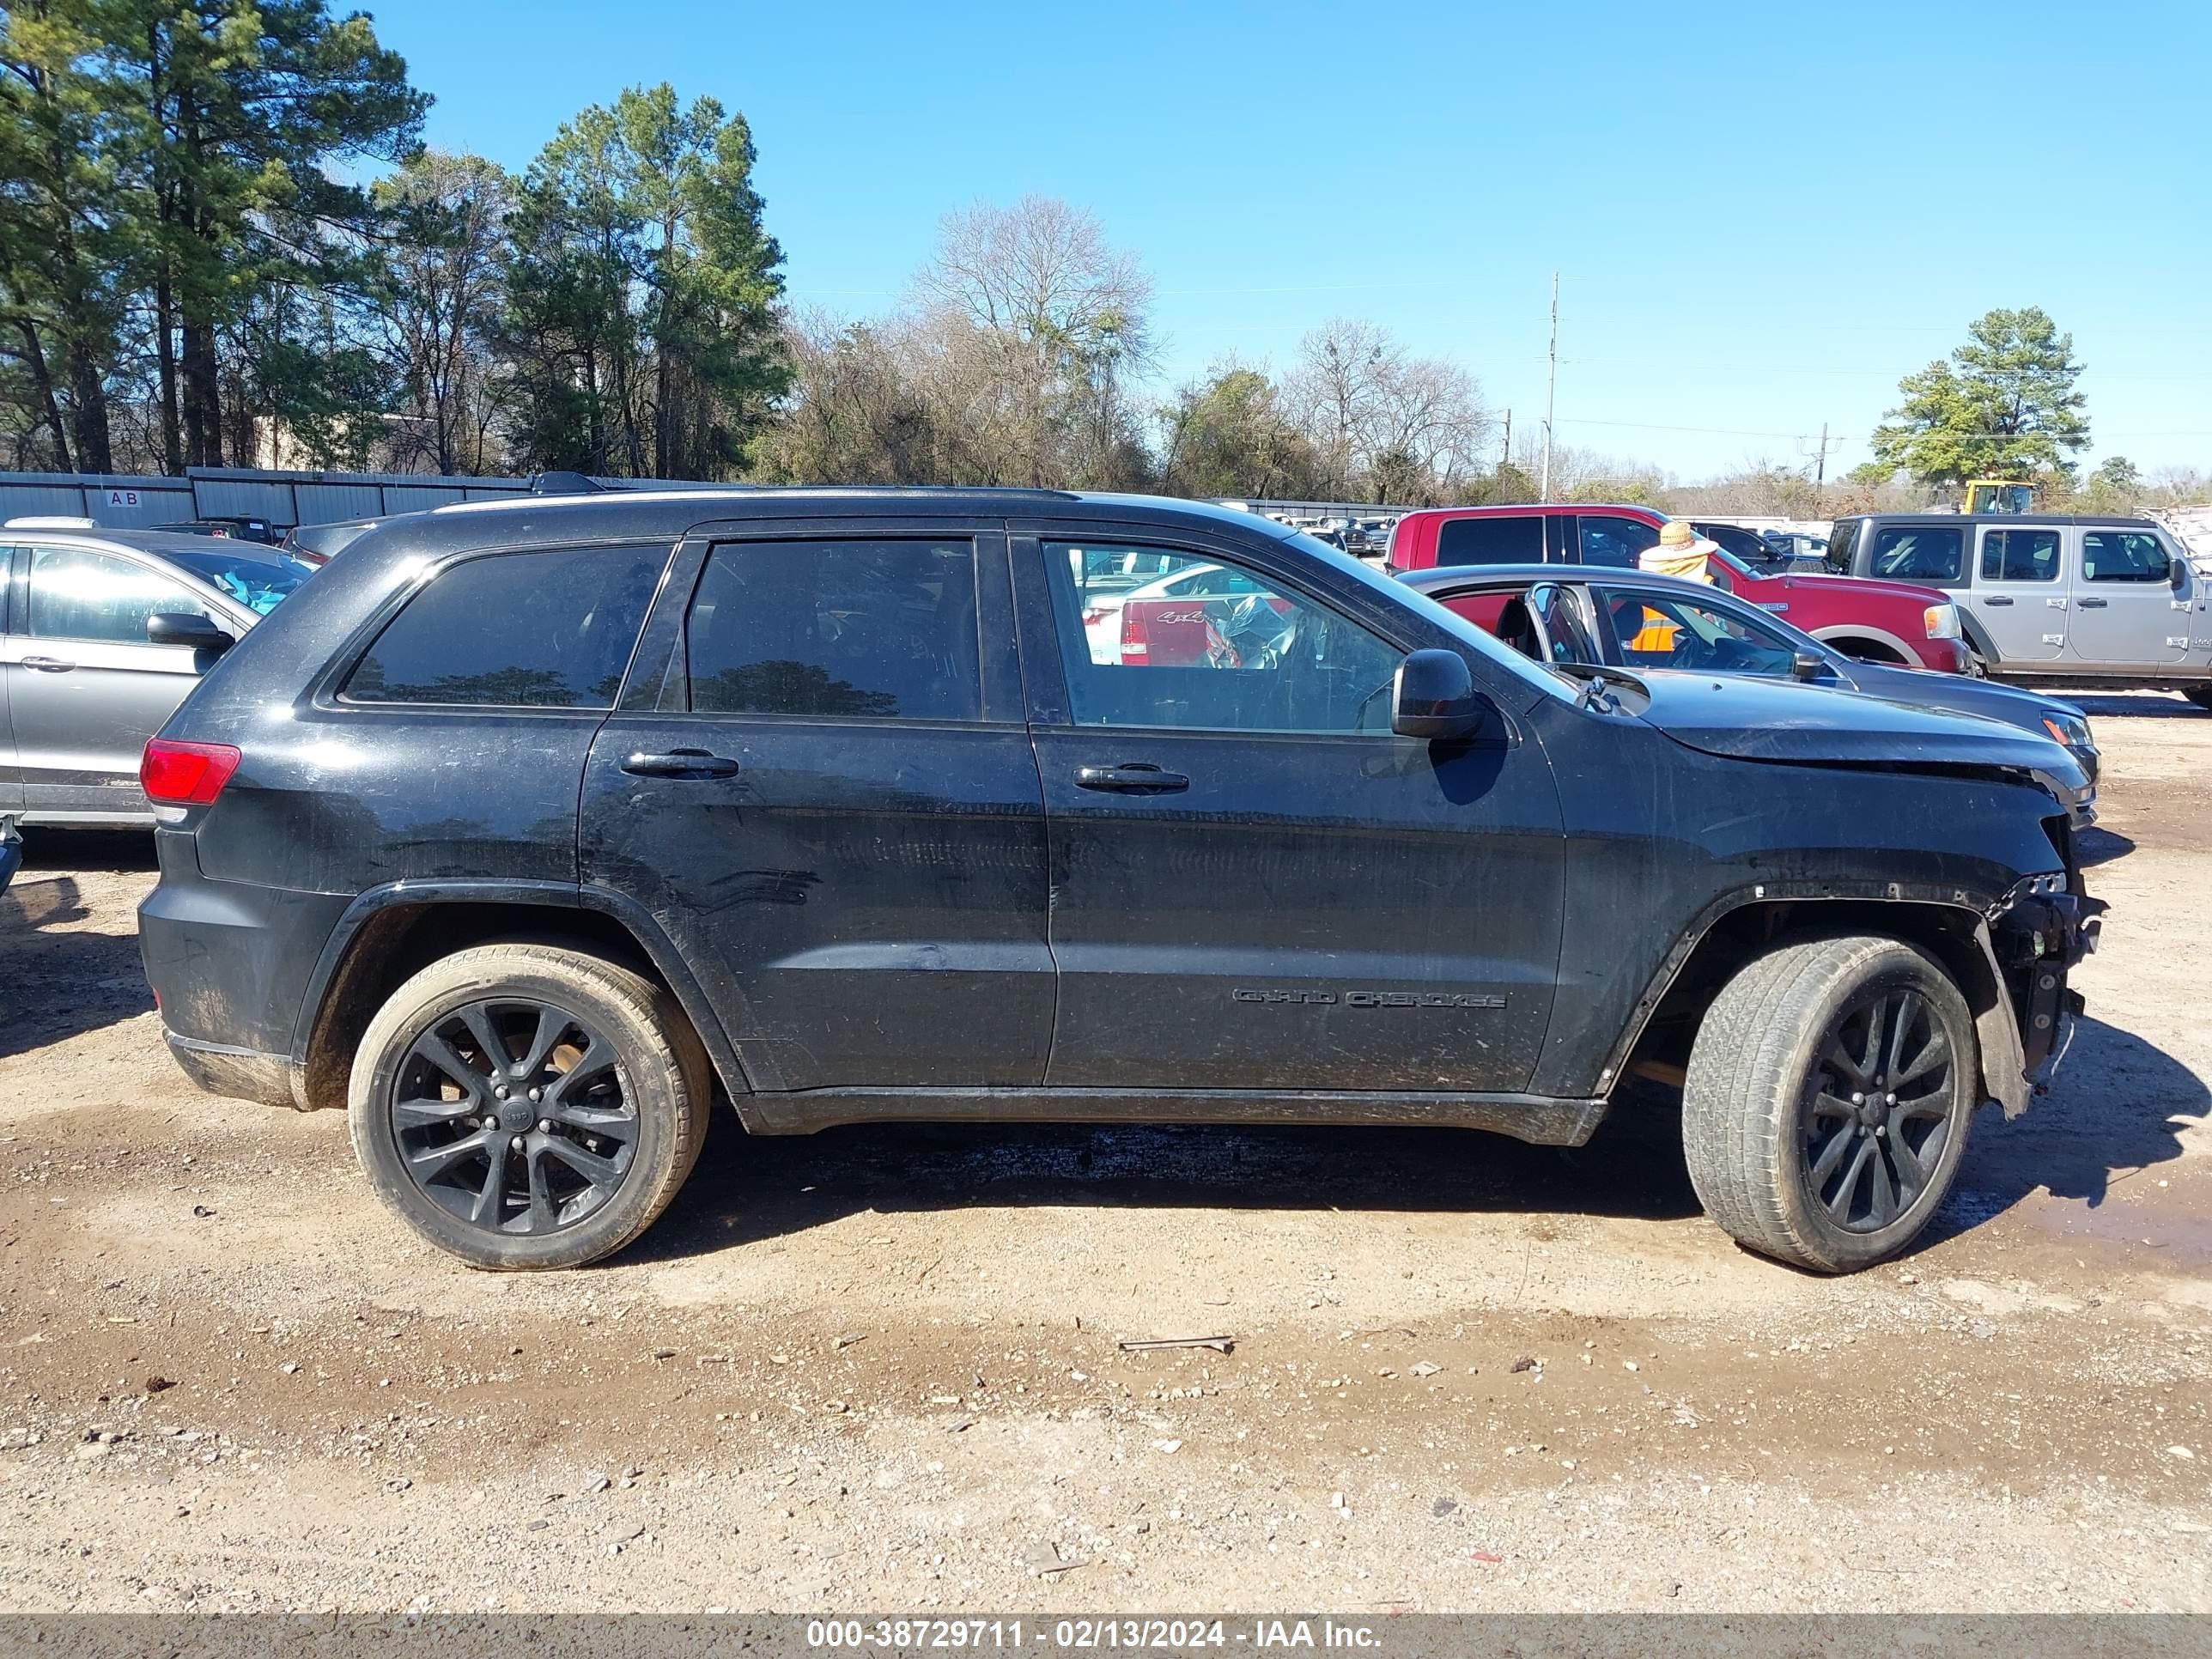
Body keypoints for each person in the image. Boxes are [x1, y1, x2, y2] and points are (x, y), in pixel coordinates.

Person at [1626, 520, 1720, 655]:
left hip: (1642, 662)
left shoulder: (1642, 585)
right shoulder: (1704, 585)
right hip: (1688, 662)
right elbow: (1720, 634)